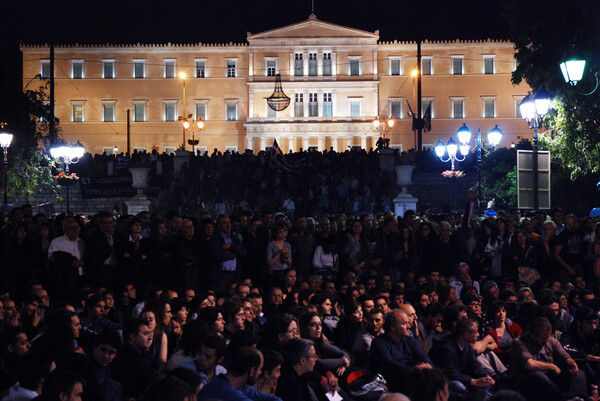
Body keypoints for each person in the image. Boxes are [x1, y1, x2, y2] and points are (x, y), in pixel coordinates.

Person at [510, 317, 586, 401]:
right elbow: (529, 364)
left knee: (578, 373)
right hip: (528, 379)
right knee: (539, 376)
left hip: (550, 376)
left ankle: (576, 397)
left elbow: (563, 355)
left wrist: (570, 362)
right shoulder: (519, 342)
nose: (546, 340)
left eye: (547, 337)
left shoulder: (550, 341)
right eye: (543, 338)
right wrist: (551, 366)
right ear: (532, 335)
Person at [430, 318, 494, 401]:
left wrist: (485, 376)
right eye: (475, 332)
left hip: (463, 377)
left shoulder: (467, 344)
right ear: (466, 334)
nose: (478, 335)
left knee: (486, 383)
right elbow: (450, 373)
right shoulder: (446, 348)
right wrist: (473, 381)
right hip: (446, 381)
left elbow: (473, 364)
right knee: (457, 385)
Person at [370, 310, 432, 393]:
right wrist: (414, 370)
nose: (409, 326)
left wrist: (428, 366)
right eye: (404, 323)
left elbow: (426, 359)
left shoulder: (411, 341)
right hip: (392, 383)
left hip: (414, 378)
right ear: (392, 327)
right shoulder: (379, 343)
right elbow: (389, 364)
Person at [198, 346, 282, 401]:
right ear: (252, 371)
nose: (260, 372)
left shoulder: (241, 387)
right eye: (260, 369)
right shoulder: (223, 390)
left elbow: (273, 399)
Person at [111, 318, 156, 401]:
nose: (150, 338)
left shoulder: (126, 356)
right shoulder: (132, 360)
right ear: (132, 337)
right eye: (145, 334)